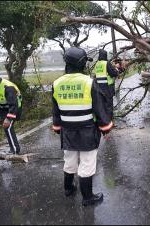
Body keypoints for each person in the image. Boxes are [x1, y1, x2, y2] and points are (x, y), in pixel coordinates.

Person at [51, 47, 113, 206]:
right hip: (87, 130)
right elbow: (99, 108)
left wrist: (57, 128)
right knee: (87, 162)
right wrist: (105, 128)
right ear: (82, 64)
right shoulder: (89, 82)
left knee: (70, 160)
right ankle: (87, 198)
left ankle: (68, 189)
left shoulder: (56, 83)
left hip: (67, 130)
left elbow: (56, 110)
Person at [93, 49, 119, 118]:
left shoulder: (97, 64)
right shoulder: (106, 63)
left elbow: (95, 76)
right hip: (108, 88)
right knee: (109, 105)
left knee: (102, 106)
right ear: (105, 55)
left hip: (99, 89)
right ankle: (110, 122)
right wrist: (116, 69)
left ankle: (104, 121)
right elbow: (113, 74)